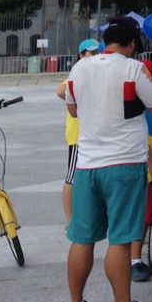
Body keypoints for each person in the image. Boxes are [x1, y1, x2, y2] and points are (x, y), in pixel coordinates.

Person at [64, 16, 152, 302]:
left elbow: (72, 109)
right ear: (132, 43)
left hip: (87, 166)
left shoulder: (80, 68)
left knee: (82, 240)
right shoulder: (133, 69)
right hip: (124, 165)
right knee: (120, 240)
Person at [56, 39, 100, 225]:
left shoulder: (93, 73)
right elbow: (61, 90)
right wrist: (78, 103)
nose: (95, 56)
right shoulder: (78, 72)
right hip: (78, 134)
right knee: (72, 176)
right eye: (91, 53)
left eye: (97, 52)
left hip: (91, 132)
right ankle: (70, 219)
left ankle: (85, 215)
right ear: (81, 55)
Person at [129, 60, 152, 283]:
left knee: (144, 216)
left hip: (150, 171)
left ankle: (133, 258)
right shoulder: (143, 105)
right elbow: (144, 141)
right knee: (143, 217)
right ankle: (134, 261)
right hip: (146, 172)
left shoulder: (148, 102)